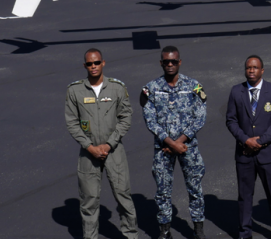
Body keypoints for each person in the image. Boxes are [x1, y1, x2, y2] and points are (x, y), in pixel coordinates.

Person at [65, 48, 138, 239]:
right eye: (89, 64)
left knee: (123, 196)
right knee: (89, 201)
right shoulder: (74, 90)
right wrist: (89, 147)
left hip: (114, 151)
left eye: (96, 63)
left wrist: (109, 144)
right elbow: (72, 123)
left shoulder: (117, 88)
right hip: (88, 153)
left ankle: (130, 236)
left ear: (103, 63)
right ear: (85, 65)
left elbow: (126, 117)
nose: (93, 66)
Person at [142, 46, 207, 239]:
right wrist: (170, 142)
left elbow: (201, 116)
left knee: (195, 188)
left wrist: (180, 141)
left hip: (188, 147)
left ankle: (198, 230)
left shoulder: (194, 86)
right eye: (166, 62)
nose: (170, 65)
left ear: (179, 62)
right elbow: (149, 119)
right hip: (163, 148)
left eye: (173, 61)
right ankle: (165, 230)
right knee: (162, 190)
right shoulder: (151, 88)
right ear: (161, 63)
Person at [226, 55, 271, 239]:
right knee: (245, 197)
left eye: (255, 67)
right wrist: (246, 140)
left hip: (267, 155)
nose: (251, 70)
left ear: (262, 70)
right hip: (244, 155)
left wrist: (259, 142)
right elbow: (231, 120)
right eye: (248, 68)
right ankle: (245, 233)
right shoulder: (237, 91)